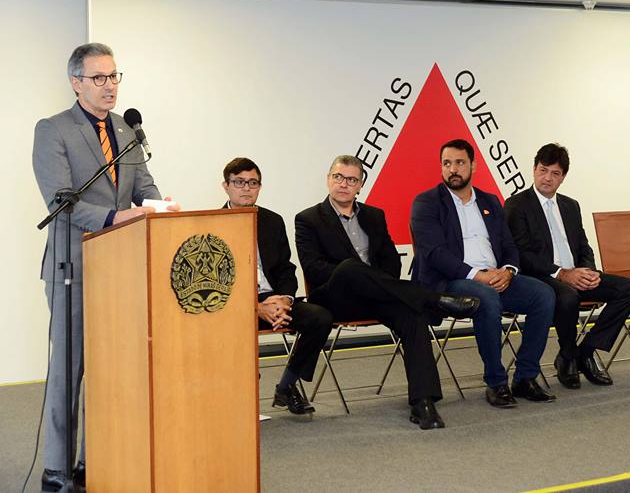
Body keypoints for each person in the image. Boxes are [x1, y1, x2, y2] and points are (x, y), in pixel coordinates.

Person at [32, 43, 179, 491]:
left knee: (110, 369)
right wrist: (118, 217)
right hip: (73, 267)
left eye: (114, 76)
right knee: (69, 370)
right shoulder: (53, 130)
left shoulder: (127, 130)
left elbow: (144, 189)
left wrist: (161, 208)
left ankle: (91, 460)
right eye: (99, 78)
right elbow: (61, 202)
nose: (109, 86)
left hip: (123, 270)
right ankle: (57, 470)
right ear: (76, 82)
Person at [295, 154, 479, 429]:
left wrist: (373, 282)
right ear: (328, 179)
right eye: (338, 177)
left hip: (376, 296)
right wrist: (358, 275)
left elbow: (391, 262)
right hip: (335, 298)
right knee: (350, 268)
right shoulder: (308, 219)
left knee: (412, 314)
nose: (344, 184)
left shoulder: (374, 216)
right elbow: (314, 269)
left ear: (360, 185)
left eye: (352, 180)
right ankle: (434, 299)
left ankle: (423, 402)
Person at [410, 139, 557, 408]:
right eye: (447, 163)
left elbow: (509, 246)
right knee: (486, 298)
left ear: (473, 166)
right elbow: (434, 254)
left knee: (544, 295)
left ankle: (525, 377)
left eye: (460, 163)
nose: (453, 169)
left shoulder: (490, 201)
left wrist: (509, 271)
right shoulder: (427, 202)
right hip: (452, 282)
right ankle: (496, 382)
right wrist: (478, 275)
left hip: (495, 277)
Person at [504, 143, 630, 388]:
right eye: (543, 170)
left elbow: (583, 246)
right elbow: (521, 255)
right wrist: (561, 273)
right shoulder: (517, 205)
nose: (547, 178)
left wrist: (588, 271)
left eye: (555, 173)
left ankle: (584, 353)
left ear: (563, 177)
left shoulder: (570, 205)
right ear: (534, 169)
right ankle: (567, 355)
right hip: (542, 277)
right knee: (567, 296)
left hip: (575, 274)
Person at [220, 157, 333, 415]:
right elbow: (218, 284)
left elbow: (285, 268)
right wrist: (255, 307)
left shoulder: (272, 220)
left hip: (273, 299)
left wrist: (284, 300)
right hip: (235, 305)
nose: (246, 188)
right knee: (229, 325)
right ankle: (240, 399)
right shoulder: (212, 224)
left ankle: (287, 386)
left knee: (320, 317)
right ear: (225, 186)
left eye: (253, 183)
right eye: (239, 182)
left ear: (259, 187)